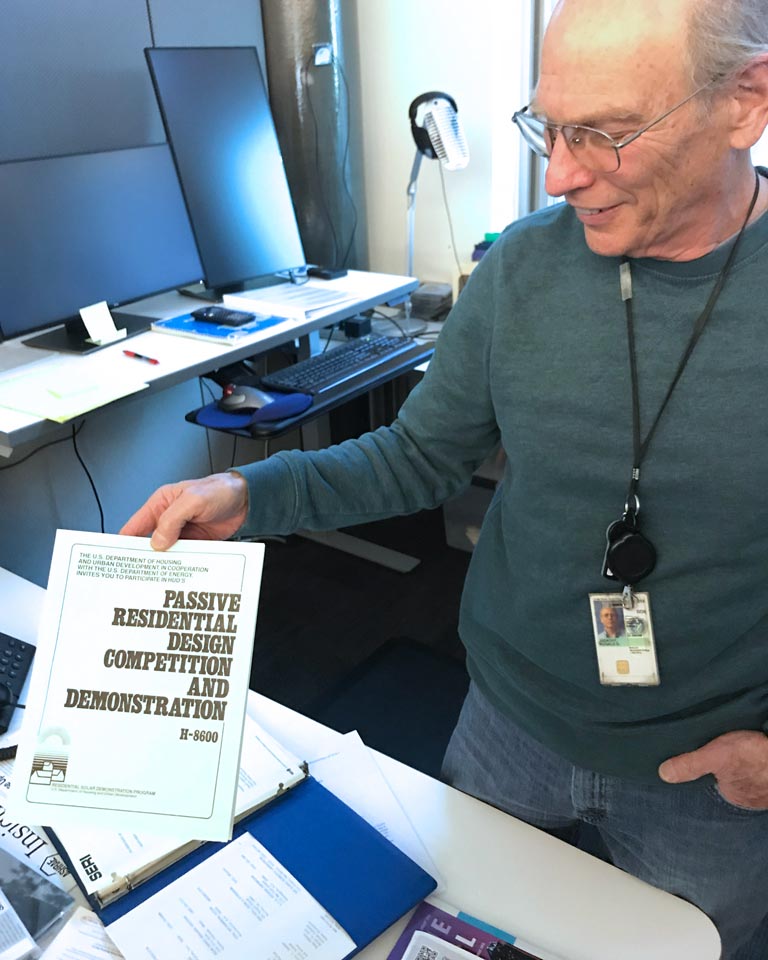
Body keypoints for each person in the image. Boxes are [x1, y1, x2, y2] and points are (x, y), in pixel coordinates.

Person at [121, 0, 768, 955]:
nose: (563, 173)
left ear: (746, 102)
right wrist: (254, 494)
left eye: (606, 133)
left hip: (711, 774)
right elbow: (418, 456)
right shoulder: (523, 271)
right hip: (507, 716)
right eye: (549, 125)